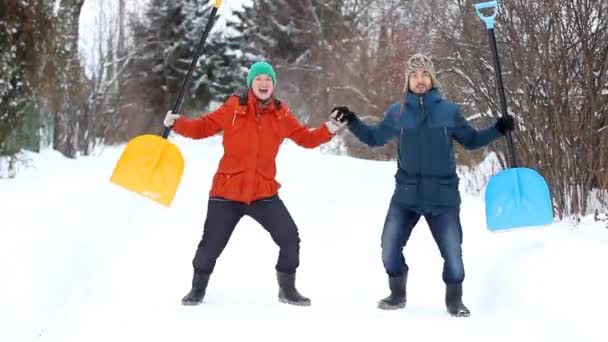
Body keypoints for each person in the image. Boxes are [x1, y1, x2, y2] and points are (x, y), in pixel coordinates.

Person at [332, 53, 514, 316]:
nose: (419, 80)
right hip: (406, 195)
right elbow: (373, 138)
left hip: (443, 196)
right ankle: (397, 293)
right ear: (408, 81)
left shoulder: (449, 112)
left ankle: (454, 300)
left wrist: (498, 128)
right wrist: (352, 121)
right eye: (414, 75)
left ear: (432, 79)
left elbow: (472, 141)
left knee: (453, 253)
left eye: (424, 75)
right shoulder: (398, 113)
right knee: (389, 248)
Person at [164, 61, 347, 306]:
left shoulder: (281, 114)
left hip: (263, 192)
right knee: (210, 245)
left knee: (290, 237)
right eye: (259, 79)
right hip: (227, 191)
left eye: (268, 80)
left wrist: (329, 129)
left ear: (273, 85)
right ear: (251, 83)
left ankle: (287, 289)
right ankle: (197, 289)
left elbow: (306, 138)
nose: (264, 83)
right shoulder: (233, 108)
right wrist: (176, 123)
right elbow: (203, 127)